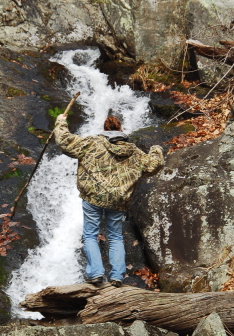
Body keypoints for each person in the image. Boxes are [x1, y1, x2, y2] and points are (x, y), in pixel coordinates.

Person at [54, 114, 164, 287]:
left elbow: (65, 142)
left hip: (93, 197)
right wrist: (156, 149)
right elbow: (153, 166)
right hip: (117, 201)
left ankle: (96, 273)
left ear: (105, 129)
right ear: (121, 130)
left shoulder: (91, 143)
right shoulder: (133, 151)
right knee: (115, 237)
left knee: (90, 235)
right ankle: (117, 276)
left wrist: (61, 121)